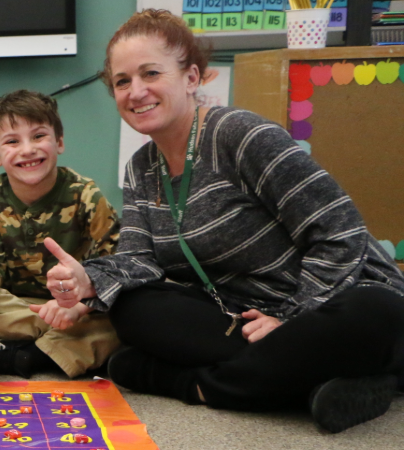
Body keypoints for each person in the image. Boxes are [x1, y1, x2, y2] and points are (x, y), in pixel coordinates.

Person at [45, 9, 404, 433]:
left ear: (192, 78)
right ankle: (315, 380)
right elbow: (139, 261)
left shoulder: (241, 135)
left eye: (151, 73)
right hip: (247, 315)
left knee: (376, 312)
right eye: (123, 81)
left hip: (334, 300)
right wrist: (87, 280)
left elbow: (339, 230)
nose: (136, 91)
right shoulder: (140, 168)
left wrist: (294, 316)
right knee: (134, 307)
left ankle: (193, 385)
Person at [0, 90, 121, 379]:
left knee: (121, 319)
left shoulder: (85, 194)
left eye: (39, 136)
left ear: (59, 142)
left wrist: (78, 308)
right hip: (21, 305)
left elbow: (116, 266)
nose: (27, 149)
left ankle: (24, 355)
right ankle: (60, 343)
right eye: (12, 141)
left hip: (78, 304)